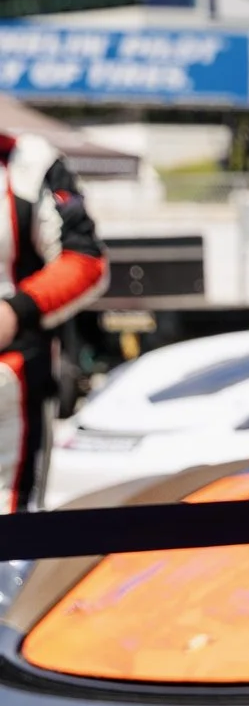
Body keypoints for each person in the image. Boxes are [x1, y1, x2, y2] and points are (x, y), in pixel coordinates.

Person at [0, 131, 105, 514]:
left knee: (13, 531)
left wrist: (14, 311)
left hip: (11, 384)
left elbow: (85, 260)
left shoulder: (31, 163)